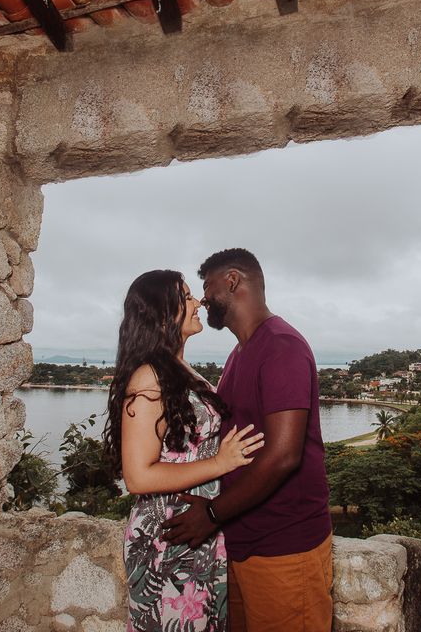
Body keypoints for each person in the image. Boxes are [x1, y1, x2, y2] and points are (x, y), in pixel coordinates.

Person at [162, 249, 333, 632]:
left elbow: (283, 456)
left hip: (286, 548)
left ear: (233, 281)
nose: (202, 300)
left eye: (206, 288)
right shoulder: (239, 353)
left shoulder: (281, 347)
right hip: (242, 543)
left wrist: (210, 513)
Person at [103, 269, 265, 632]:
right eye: (187, 296)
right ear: (162, 312)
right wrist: (221, 462)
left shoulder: (179, 370)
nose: (199, 302)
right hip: (168, 537)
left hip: (196, 532)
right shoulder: (148, 377)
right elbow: (138, 475)